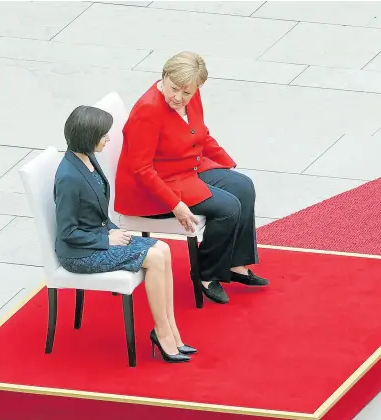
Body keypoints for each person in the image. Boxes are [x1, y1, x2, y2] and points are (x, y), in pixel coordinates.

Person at [114, 51, 268, 305]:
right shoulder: (148, 111)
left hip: (185, 168)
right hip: (155, 187)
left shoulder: (191, 96)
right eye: (174, 89)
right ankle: (205, 273)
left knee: (243, 186)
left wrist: (225, 164)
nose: (178, 98)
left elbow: (201, 133)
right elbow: (141, 170)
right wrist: (175, 204)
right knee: (228, 208)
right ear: (164, 76)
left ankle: (235, 264)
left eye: (186, 93)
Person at [53, 105, 195, 363]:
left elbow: (95, 213)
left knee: (163, 249)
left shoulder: (89, 158)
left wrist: (112, 231)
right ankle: (162, 333)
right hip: (80, 253)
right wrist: (106, 239)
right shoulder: (69, 178)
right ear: (87, 137)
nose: (108, 139)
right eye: (104, 135)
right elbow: (67, 232)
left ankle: (170, 327)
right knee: (153, 258)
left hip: (100, 237)